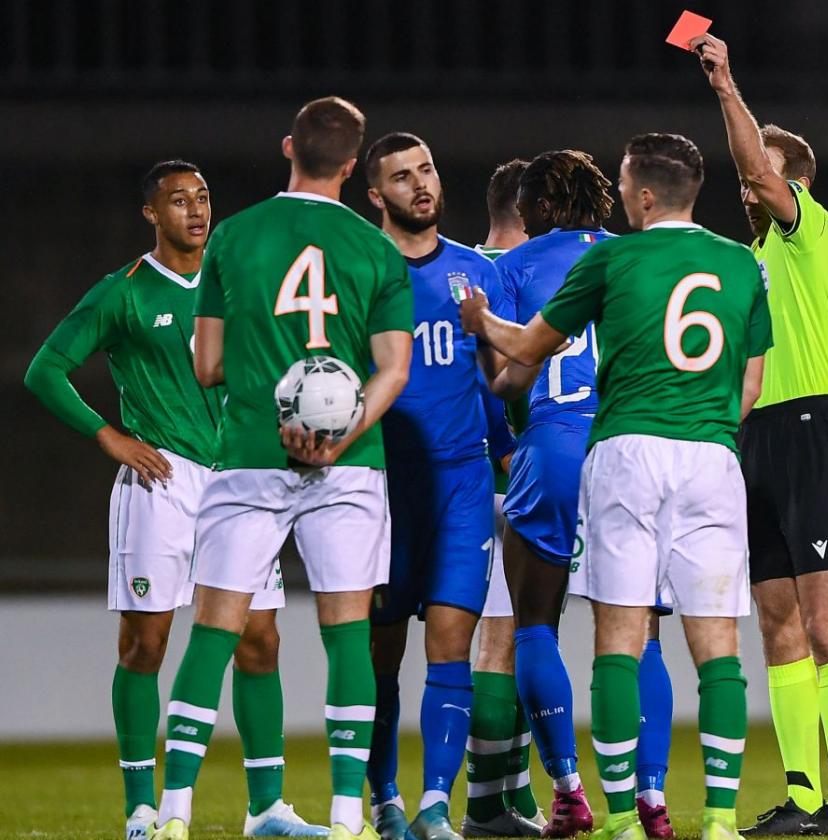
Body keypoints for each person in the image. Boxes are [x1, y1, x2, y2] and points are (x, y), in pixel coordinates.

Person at [460, 131, 770, 840]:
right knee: (675, 640)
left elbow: (517, 365)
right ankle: (686, 806)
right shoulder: (738, 264)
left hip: (583, 451)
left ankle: (576, 792)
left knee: (546, 624)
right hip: (704, 453)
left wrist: (481, 331)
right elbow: (749, 384)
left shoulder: (573, 261)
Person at [23, 161, 324, 840]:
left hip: (236, 481)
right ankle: (141, 808)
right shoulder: (122, 293)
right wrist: (109, 436)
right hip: (159, 485)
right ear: (150, 214)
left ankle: (267, 809)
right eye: (178, 200)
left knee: (260, 640)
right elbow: (45, 369)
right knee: (145, 644)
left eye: (203, 197)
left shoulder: (236, 279)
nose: (195, 210)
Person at [148, 96, 414, 840]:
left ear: (289, 146)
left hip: (250, 459)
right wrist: (337, 430)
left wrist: (272, 383)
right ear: (355, 165)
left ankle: (173, 816)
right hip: (351, 465)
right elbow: (393, 371)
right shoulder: (377, 250)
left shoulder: (232, 237)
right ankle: (343, 817)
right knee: (346, 633)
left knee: (215, 630)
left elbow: (206, 365)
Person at [689, 33, 828, 837]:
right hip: (756, 438)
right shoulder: (750, 258)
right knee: (778, 623)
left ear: (787, 180)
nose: (746, 185)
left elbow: (759, 166)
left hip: (814, 430)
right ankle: (800, 796)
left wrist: (727, 85)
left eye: (757, 172)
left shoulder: (810, 232)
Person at [358, 132, 508, 840]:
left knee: (451, 644)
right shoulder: (359, 275)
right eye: (400, 176)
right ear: (375, 195)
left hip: (463, 484)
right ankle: (384, 798)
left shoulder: (478, 274)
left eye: (426, 170)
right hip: (384, 489)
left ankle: (433, 807)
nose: (419, 185)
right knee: (381, 656)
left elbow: (499, 384)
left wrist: (514, 451)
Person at [484, 149, 616, 838]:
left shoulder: (511, 267)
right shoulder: (635, 257)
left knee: (534, 624)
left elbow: (501, 375)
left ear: (536, 207)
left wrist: (507, 439)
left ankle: (566, 789)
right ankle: (640, 801)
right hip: (628, 450)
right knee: (632, 637)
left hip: (552, 447)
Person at [465, 157, 550, 838]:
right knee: (507, 644)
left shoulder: (457, 272)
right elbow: (508, 379)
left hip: (456, 481)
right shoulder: (524, 275)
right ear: (528, 210)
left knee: (505, 644)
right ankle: (485, 807)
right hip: (513, 479)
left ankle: (512, 799)